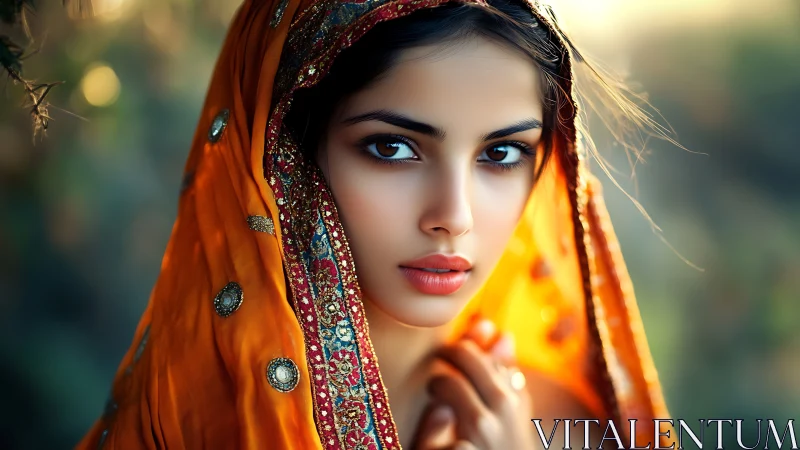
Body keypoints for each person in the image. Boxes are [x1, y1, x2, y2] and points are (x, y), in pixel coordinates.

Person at [77, 0, 672, 448]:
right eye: (391, 148)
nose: (454, 218)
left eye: (501, 153)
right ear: (286, 157)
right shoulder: (189, 420)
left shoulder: (575, 429)